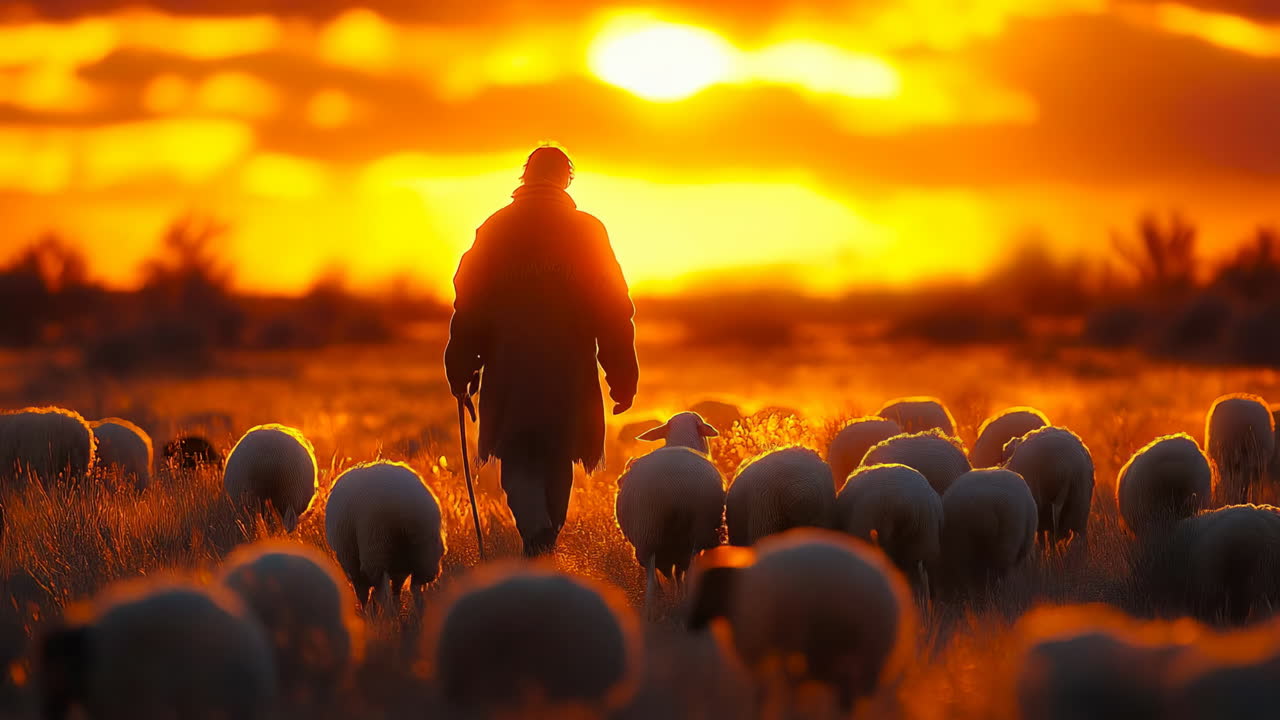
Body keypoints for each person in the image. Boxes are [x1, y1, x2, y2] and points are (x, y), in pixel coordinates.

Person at [445, 145, 638, 556]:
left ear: (525, 177)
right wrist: (622, 376)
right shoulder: (588, 231)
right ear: (565, 179)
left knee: (519, 455)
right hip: (570, 370)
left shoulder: (495, 228)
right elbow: (614, 307)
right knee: (558, 456)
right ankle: (544, 535)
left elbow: (470, 303)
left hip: (510, 366)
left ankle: (537, 533)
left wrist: (461, 367)